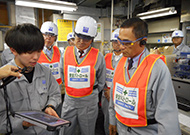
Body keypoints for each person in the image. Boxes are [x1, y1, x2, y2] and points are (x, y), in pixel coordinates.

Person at [109, 18, 181, 135]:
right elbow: (114, 94)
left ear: (143, 41)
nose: (121, 47)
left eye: (127, 43)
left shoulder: (157, 68)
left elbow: (167, 115)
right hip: (121, 128)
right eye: (119, 41)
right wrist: (112, 120)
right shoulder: (120, 63)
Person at [0, 23, 61, 135]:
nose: (36, 57)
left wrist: (50, 106)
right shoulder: (3, 79)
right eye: (29, 52)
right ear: (13, 50)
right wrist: (23, 123)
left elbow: (55, 94)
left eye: (39, 51)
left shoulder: (45, 72)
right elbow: (1, 122)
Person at [59, 16, 106, 135]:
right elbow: (63, 75)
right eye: (78, 37)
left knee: (88, 131)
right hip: (69, 101)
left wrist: (89, 92)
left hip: (89, 103)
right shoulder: (66, 53)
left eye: (86, 39)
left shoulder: (98, 56)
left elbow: (101, 81)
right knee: (65, 130)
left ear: (92, 39)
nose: (81, 42)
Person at [101, 28, 123, 135]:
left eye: (119, 42)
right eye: (114, 42)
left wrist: (113, 93)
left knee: (120, 121)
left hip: (120, 96)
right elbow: (101, 76)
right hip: (106, 95)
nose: (116, 44)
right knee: (107, 120)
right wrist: (106, 90)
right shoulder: (106, 57)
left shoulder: (127, 58)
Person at [38, 21, 62, 85]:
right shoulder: (36, 51)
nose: (48, 38)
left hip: (57, 87)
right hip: (42, 86)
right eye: (45, 34)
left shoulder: (58, 51)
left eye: (51, 35)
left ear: (55, 38)